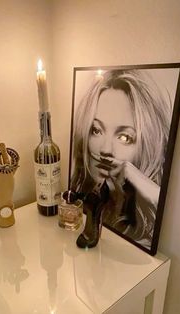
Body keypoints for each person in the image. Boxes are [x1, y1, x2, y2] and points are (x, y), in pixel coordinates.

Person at [71, 69, 173, 249]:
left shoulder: (143, 237)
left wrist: (147, 188)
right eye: (96, 130)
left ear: (146, 147)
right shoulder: (80, 204)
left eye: (125, 137)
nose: (106, 150)